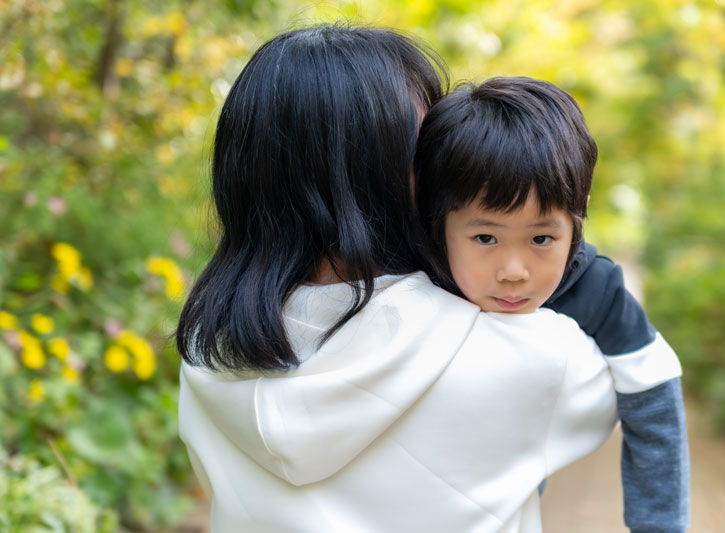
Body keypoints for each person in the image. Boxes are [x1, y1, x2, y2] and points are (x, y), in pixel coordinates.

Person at [176, 24, 624, 532]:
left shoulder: (209, 357)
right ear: (382, 180)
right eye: (430, 152)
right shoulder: (528, 351)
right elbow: (629, 384)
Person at [414, 76, 690, 532]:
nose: (514, 270)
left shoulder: (595, 288)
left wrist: (659, 524)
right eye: (486, 237)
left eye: (542, 238)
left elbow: (654, 394)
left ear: (575, 226)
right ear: (437, 224)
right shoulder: (415, 280)